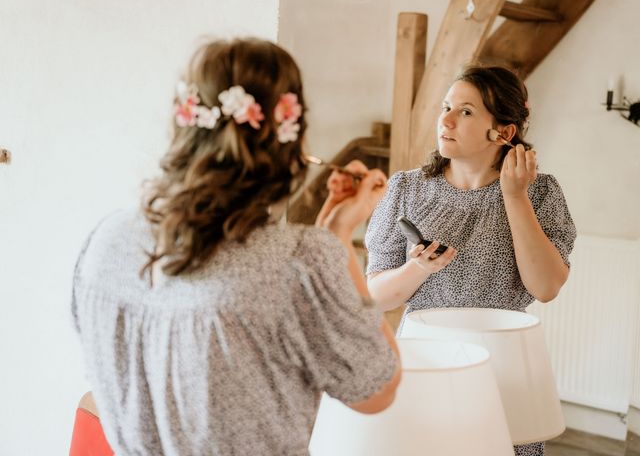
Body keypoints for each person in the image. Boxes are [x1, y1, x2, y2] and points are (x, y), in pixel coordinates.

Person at [71, 38, 401, 455]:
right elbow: (376, 388)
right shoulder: (298, 262)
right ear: (290, 142)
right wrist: (337, 241)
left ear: (184, 124)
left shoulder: (106, 241)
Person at [365, 65, 576, 456]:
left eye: (465, 111)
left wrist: (516, 197)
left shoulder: (541, 193)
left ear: (504, 132)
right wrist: (417, 268)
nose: (444, 120)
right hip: (424, 360)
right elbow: (376, 296)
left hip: (504, 368)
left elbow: (545, 288)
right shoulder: (406, 188)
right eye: (446, 107)